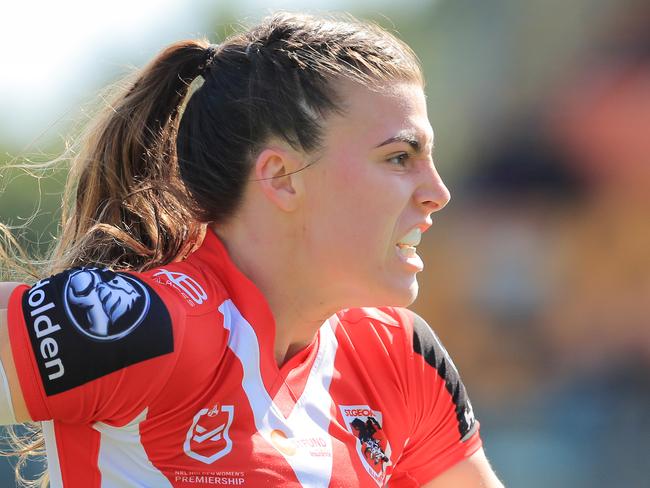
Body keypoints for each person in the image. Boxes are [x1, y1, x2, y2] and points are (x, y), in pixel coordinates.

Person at [0, 12, 503, 487]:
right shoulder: (155, 324)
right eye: (399, 157)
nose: (438, 191)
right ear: (281, 178)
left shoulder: (399, 354)